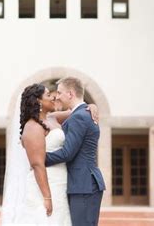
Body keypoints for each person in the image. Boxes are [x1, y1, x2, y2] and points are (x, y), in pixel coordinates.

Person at [1, 83, 98, 225]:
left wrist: (92, 106)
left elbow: (79, 112)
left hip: (61, 182)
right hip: (46, 185)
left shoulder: (52, 118)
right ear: (38, 101)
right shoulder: (32, 127)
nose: (53, 98)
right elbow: (37, 164)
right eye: (48, 95)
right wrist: (47, 197)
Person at [46, 77, 105, 226]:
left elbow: (67, 153)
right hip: (81, 183)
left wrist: (40, 158)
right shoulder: (80, 113)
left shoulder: (79, 116)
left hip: (83, 183)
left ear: (70, 94)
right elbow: (51, 116)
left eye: (60, 93)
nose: (57, 96)